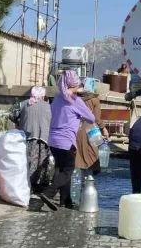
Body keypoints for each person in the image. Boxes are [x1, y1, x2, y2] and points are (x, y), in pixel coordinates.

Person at [36, 71, 96, 211]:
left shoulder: (57, 99)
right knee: (68, 170)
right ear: (74, 84)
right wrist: (80, 115)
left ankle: (65, 200)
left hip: (53, 140)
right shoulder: (75, 100)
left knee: (60, 169)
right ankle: (48, 193)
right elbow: (91, 118)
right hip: (66, 141)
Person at [10, 86, 52, 194]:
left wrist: (20, 121)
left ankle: (27, 185)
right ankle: (41, 186)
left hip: (28, 137)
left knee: (28, 161)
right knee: (43, 162)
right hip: (44, 138)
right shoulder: (49, 106)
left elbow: (12, 116)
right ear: (43, 95)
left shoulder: (23, 104)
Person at [74, 89, 108, 179]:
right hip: (91, 130)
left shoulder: (76, 98)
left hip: (77, 128)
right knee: (91, 156)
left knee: (79, 156)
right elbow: (96, 119)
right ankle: (89, 181)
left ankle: (79, 180)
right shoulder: (94, 100)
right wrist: (103, 128)